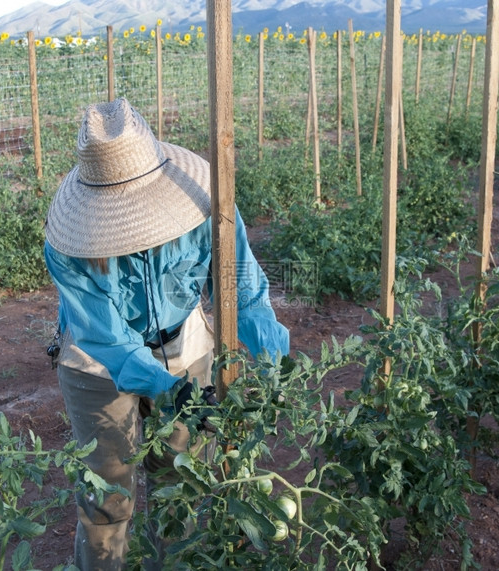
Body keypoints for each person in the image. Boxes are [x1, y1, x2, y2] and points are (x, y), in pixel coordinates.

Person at [43, 97, 290, 570]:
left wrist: (274, 363)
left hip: (185, 343)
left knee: (183, 485)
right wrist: (171, 391)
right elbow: (110, 341)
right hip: (97, 363)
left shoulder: (203, 206)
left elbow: (243, 290)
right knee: (107, 495)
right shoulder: (70, 250)